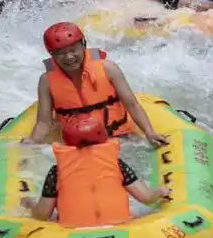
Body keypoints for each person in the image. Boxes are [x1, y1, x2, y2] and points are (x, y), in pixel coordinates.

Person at [22, 21, 168, 148]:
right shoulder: (46, 81)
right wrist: (34, 143)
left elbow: (132, 104)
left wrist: (149, 132)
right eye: (61, 53)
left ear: (83, 45)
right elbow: (43, 122)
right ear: (51, 54)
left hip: (119, 138)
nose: (69, 57)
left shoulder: (108, 68)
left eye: (73, 50)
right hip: (75, 144)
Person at [20, 115, 172, 226]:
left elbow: (42, 215)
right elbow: (147, 198)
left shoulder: (58, 170)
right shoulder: (116, 164)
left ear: (67, 142)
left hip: (72, 236)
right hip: (118, 228)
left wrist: (30, 204)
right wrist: (161, 191)